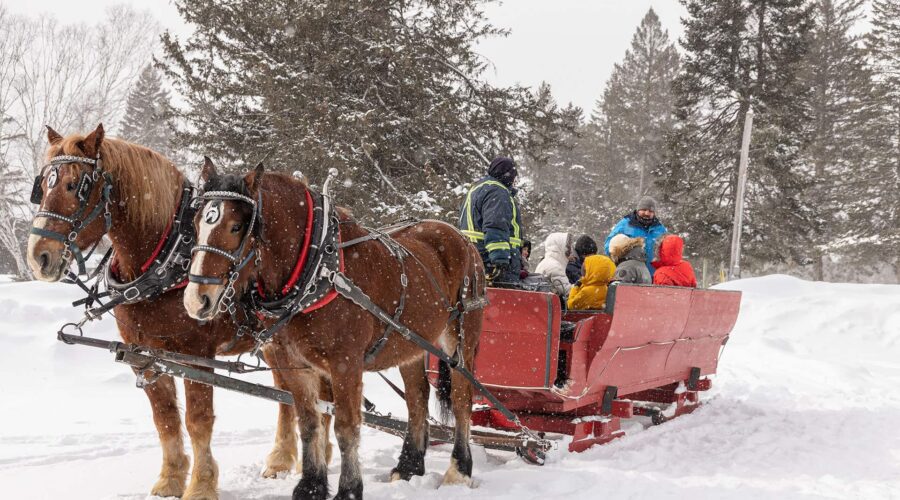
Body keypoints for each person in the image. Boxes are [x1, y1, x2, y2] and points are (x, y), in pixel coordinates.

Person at [458, 156, 524, 284]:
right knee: (503, 300)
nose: (514, 180)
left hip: (473, 254)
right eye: (513, 175)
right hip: (491, 258)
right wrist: (500, 258)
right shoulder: (498, 192)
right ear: (507, 174)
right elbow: (495, 225)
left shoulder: (477, 188)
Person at [603, 196, 667, 276]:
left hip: (652, 275)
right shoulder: (625, 224)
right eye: (644, 210)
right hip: (629, 273)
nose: (647, 213)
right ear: (638, 210)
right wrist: (619, 259)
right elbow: (609, 245)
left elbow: (667, 251)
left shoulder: (660, 229)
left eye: (650, 211)